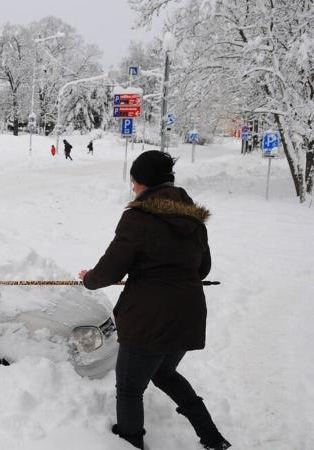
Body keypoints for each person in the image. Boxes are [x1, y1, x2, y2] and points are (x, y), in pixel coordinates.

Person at [78, 151, 230, 450]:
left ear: (145, 183)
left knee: (130, 389)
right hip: (188, 315)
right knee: (164, 372)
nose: (132, 187)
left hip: (149, 319)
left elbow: (110, 270)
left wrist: (89, 278)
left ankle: (130, 442)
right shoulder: (193, 218)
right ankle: (211, 437)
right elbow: (202, 268)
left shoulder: (138, 218)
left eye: (134, 181)